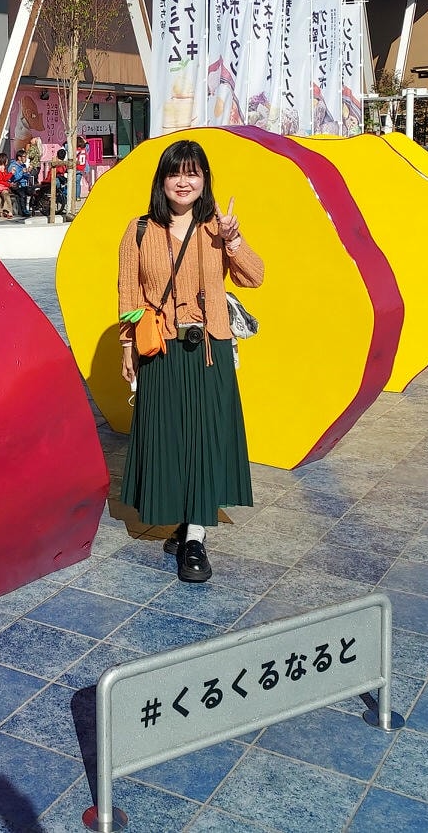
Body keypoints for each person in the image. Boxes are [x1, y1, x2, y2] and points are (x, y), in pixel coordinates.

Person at [117, 140, 265, 583]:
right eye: (175, 173)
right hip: (161, 350)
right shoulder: (139, 230)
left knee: (205, 439)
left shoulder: (216, 229)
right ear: (162, 180)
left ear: (204, 180)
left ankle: (196, 537)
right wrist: (127, 347)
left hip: (208, 351)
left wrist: (233, 239)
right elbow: (128, 296)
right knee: (170, 438)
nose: (183, 182)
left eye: (193, 173)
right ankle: (183, 521)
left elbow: (255, 276)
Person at [7, 149, 33, 216]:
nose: (26, 158)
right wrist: (22, 172)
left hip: (23, 185)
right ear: (19, 158)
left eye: (26, 156)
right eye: (24, 156)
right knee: (22, 194)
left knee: (33, 191)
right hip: (15, 185)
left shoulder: (23, 165)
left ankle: (32, 208)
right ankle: (24, 211)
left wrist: (28, 172)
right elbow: (14, 178)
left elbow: (26, 177)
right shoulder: (13, 166)